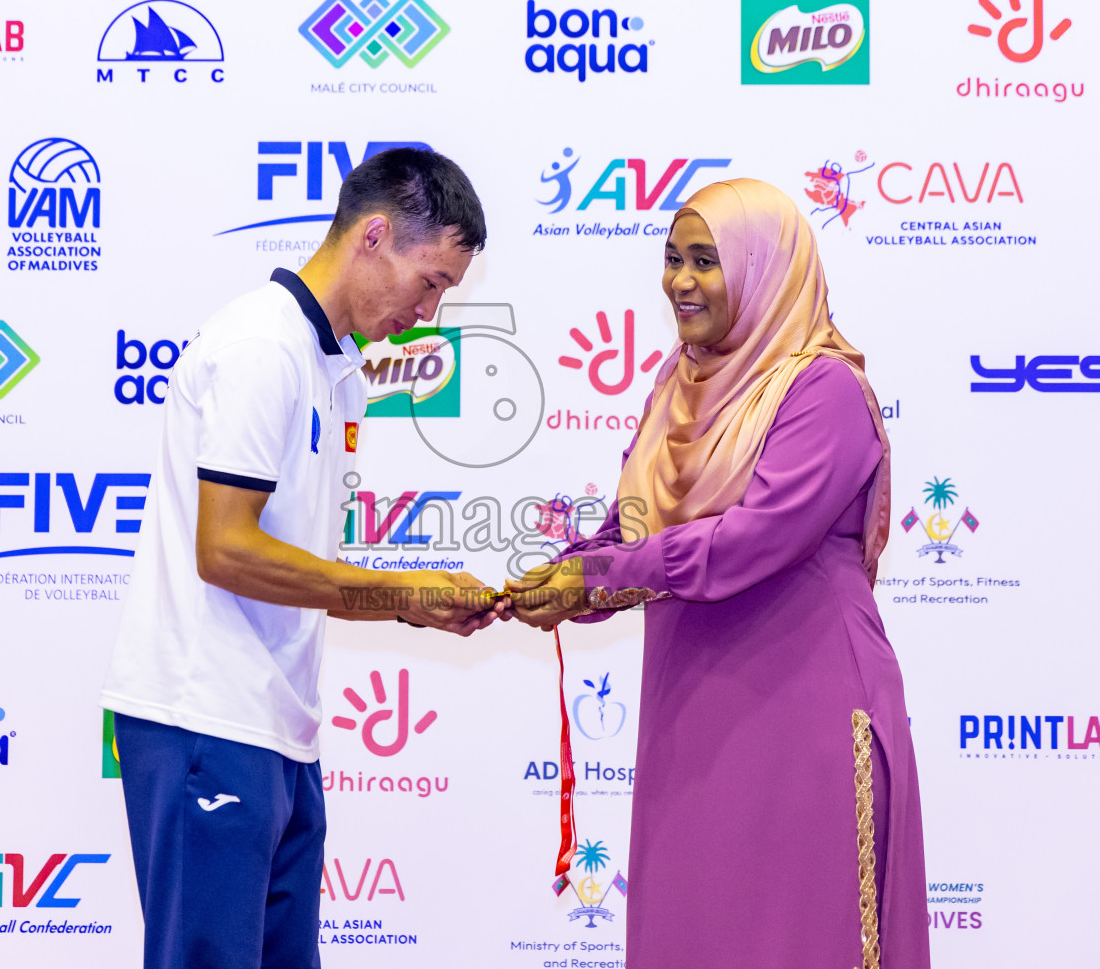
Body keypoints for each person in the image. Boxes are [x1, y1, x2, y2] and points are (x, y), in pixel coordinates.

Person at [101, 147, 506, 969]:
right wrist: (399, 594)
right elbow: (226, 548)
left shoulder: (334, 365)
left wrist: (407, 597)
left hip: (275, 725)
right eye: (430, 282)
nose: (429, 314)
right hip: (203, 719)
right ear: (376, 236)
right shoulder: (264, 347)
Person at [509, 179, 929, 968]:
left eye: (707, 261)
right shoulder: (679, 387)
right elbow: (633, 536)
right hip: (692, 709)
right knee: (692, 932)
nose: (680, 281)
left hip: (802, 707)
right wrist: (550, 584)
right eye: (672, 259)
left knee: (801, 935)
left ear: (765, 271)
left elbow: (752, 539)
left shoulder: (823, 388)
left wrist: (597, 576)